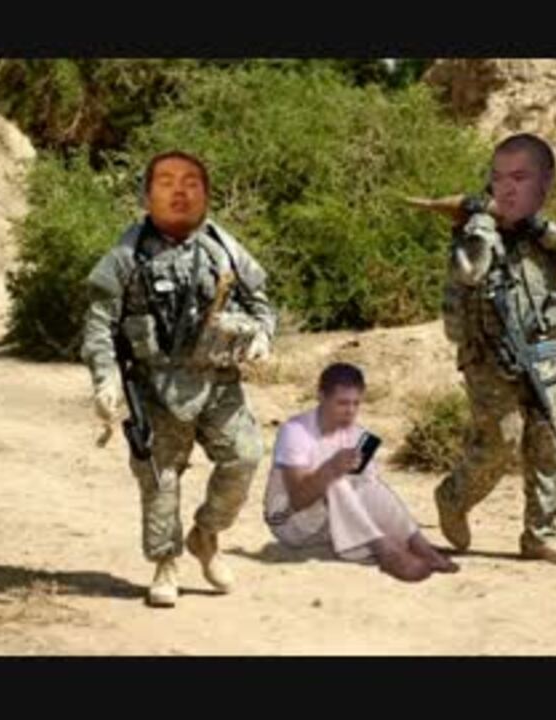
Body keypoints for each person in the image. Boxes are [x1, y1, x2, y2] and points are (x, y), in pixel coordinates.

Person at [81, 150, 276, 607]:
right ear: (147, 195)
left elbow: (261, 304)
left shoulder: (225, 250)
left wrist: (262, 335)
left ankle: (206, 535)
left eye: (191, 182)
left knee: (245, 457)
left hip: (219, 382)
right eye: (166, 182)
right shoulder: (126, 257)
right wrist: (106, 379)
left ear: (206, 194)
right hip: (154, 386)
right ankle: (165, 563)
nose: (179, 191)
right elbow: (99, 324)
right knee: (160, 478)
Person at [434, 133, 556, 565]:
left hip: (542, 355)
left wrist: (541, 229)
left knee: (554, 442)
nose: (510, 192)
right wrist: (483, 225)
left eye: (521, 182)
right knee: (499, 444)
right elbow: (470, 272)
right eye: (501, 181)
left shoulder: (543, 235)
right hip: (490, 360)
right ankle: (453, 498)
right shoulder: (474, 237)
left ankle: (540, 536)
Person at [264, 362, 458, 582]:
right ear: (321, 396)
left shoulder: (358, 434)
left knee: (371, 485)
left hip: (329, 519)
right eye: (342, 403)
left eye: (356, 403)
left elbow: (369, 494)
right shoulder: (295, 431)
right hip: (288, 520)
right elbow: (298, 500)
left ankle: (419, 545)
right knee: (336, 481)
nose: (350, 411)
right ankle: (385, 551)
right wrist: (331, 468)